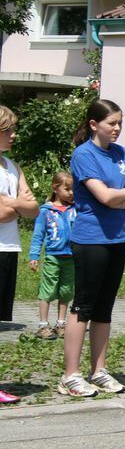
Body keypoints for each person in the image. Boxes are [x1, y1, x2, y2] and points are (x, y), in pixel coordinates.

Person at [61, 100, 125, 397]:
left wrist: (121, 195)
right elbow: (104, 197)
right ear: (94, 125)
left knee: (104, 308)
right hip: (90, 239)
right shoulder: (84, 155)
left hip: (116, 238)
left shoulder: (122, 153)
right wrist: (123, 194)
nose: (117, 128)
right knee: (83, 307)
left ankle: (99, 370)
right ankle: (70, 374)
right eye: (111, 123)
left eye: (120, 122)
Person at [0, 106, 38, 404]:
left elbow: (33, 209)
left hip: (9, 248)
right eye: (8, 130)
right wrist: (16, 204)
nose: (14, 135)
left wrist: (9, 202)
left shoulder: (12, 166)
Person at [29, 172, 76, 341]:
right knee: (48, 290)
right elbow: (38, 235)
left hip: (71, 257)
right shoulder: (45, 211)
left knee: (66, 291)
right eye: (67, 189)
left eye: (73, 189)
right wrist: (34, 255)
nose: (71, 193)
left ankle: (61, 324)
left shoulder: (75, 209)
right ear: (55, 189)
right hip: (52, 257)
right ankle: (43, 325)